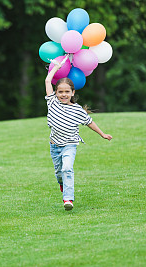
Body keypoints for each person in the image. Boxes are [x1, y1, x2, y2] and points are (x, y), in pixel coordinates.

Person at [45, 59, 112, 211]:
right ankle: (62, 184)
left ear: (73, 93)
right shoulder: (52, 102)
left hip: (70, 145)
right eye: (60, 91)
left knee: (67, 168)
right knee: (59, 173)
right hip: (54, 146)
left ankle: (68, 199)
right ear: (56, 93)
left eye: (67, 92)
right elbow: (48, 80)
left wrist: (102, 134)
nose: (63, 94)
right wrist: (56, 67)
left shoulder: (77, 110)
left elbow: (90, 122)